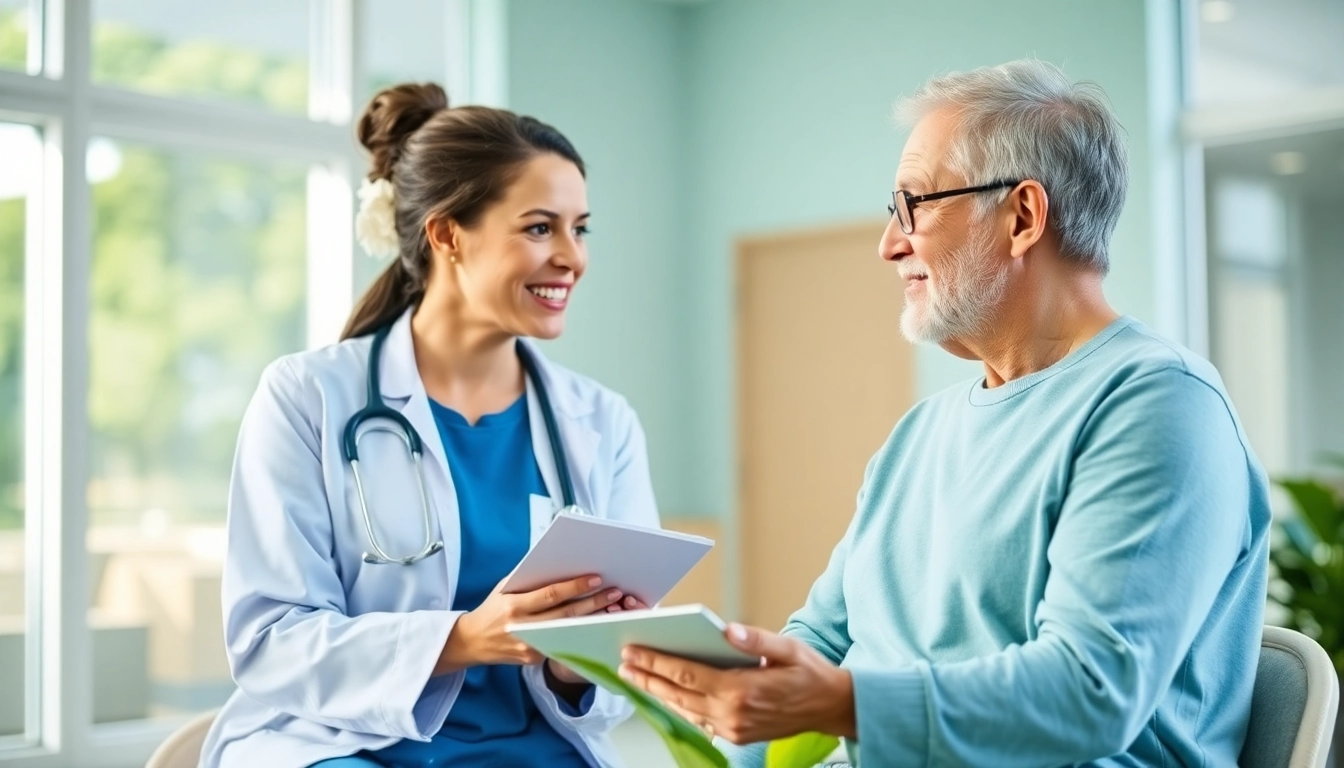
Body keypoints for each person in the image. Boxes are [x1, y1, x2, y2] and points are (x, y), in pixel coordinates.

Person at [619, 59, 1270, 767]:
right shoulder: (920, 435)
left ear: (1022, 217)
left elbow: (1090, 691)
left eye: (915, 205)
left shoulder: (1158, 403)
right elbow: (825, 638)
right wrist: (726, 724)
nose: (889, 243)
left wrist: (843, 702)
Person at [200, 82, 656, 768]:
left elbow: (622, 671)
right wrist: (468, 638)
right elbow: (270, 639)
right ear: (446, 234)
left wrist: (576, 664)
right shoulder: (307, 398)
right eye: (540, 227)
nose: (573, 256)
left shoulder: (602, 423)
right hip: (348, 746)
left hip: (535, 752)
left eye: (579, 227)